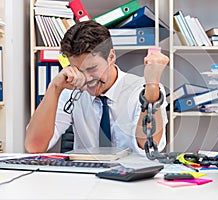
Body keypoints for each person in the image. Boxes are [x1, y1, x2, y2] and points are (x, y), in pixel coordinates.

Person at [25, 20, 169, 155]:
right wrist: (55, 87)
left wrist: (152, 85)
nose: (86, 79)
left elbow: (149, 147)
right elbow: (34, 146)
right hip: (85, 178)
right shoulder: (71, 91)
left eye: (92, 68)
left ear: (111, 57)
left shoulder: (144, 91)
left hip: (132, 178)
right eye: (78, 70)